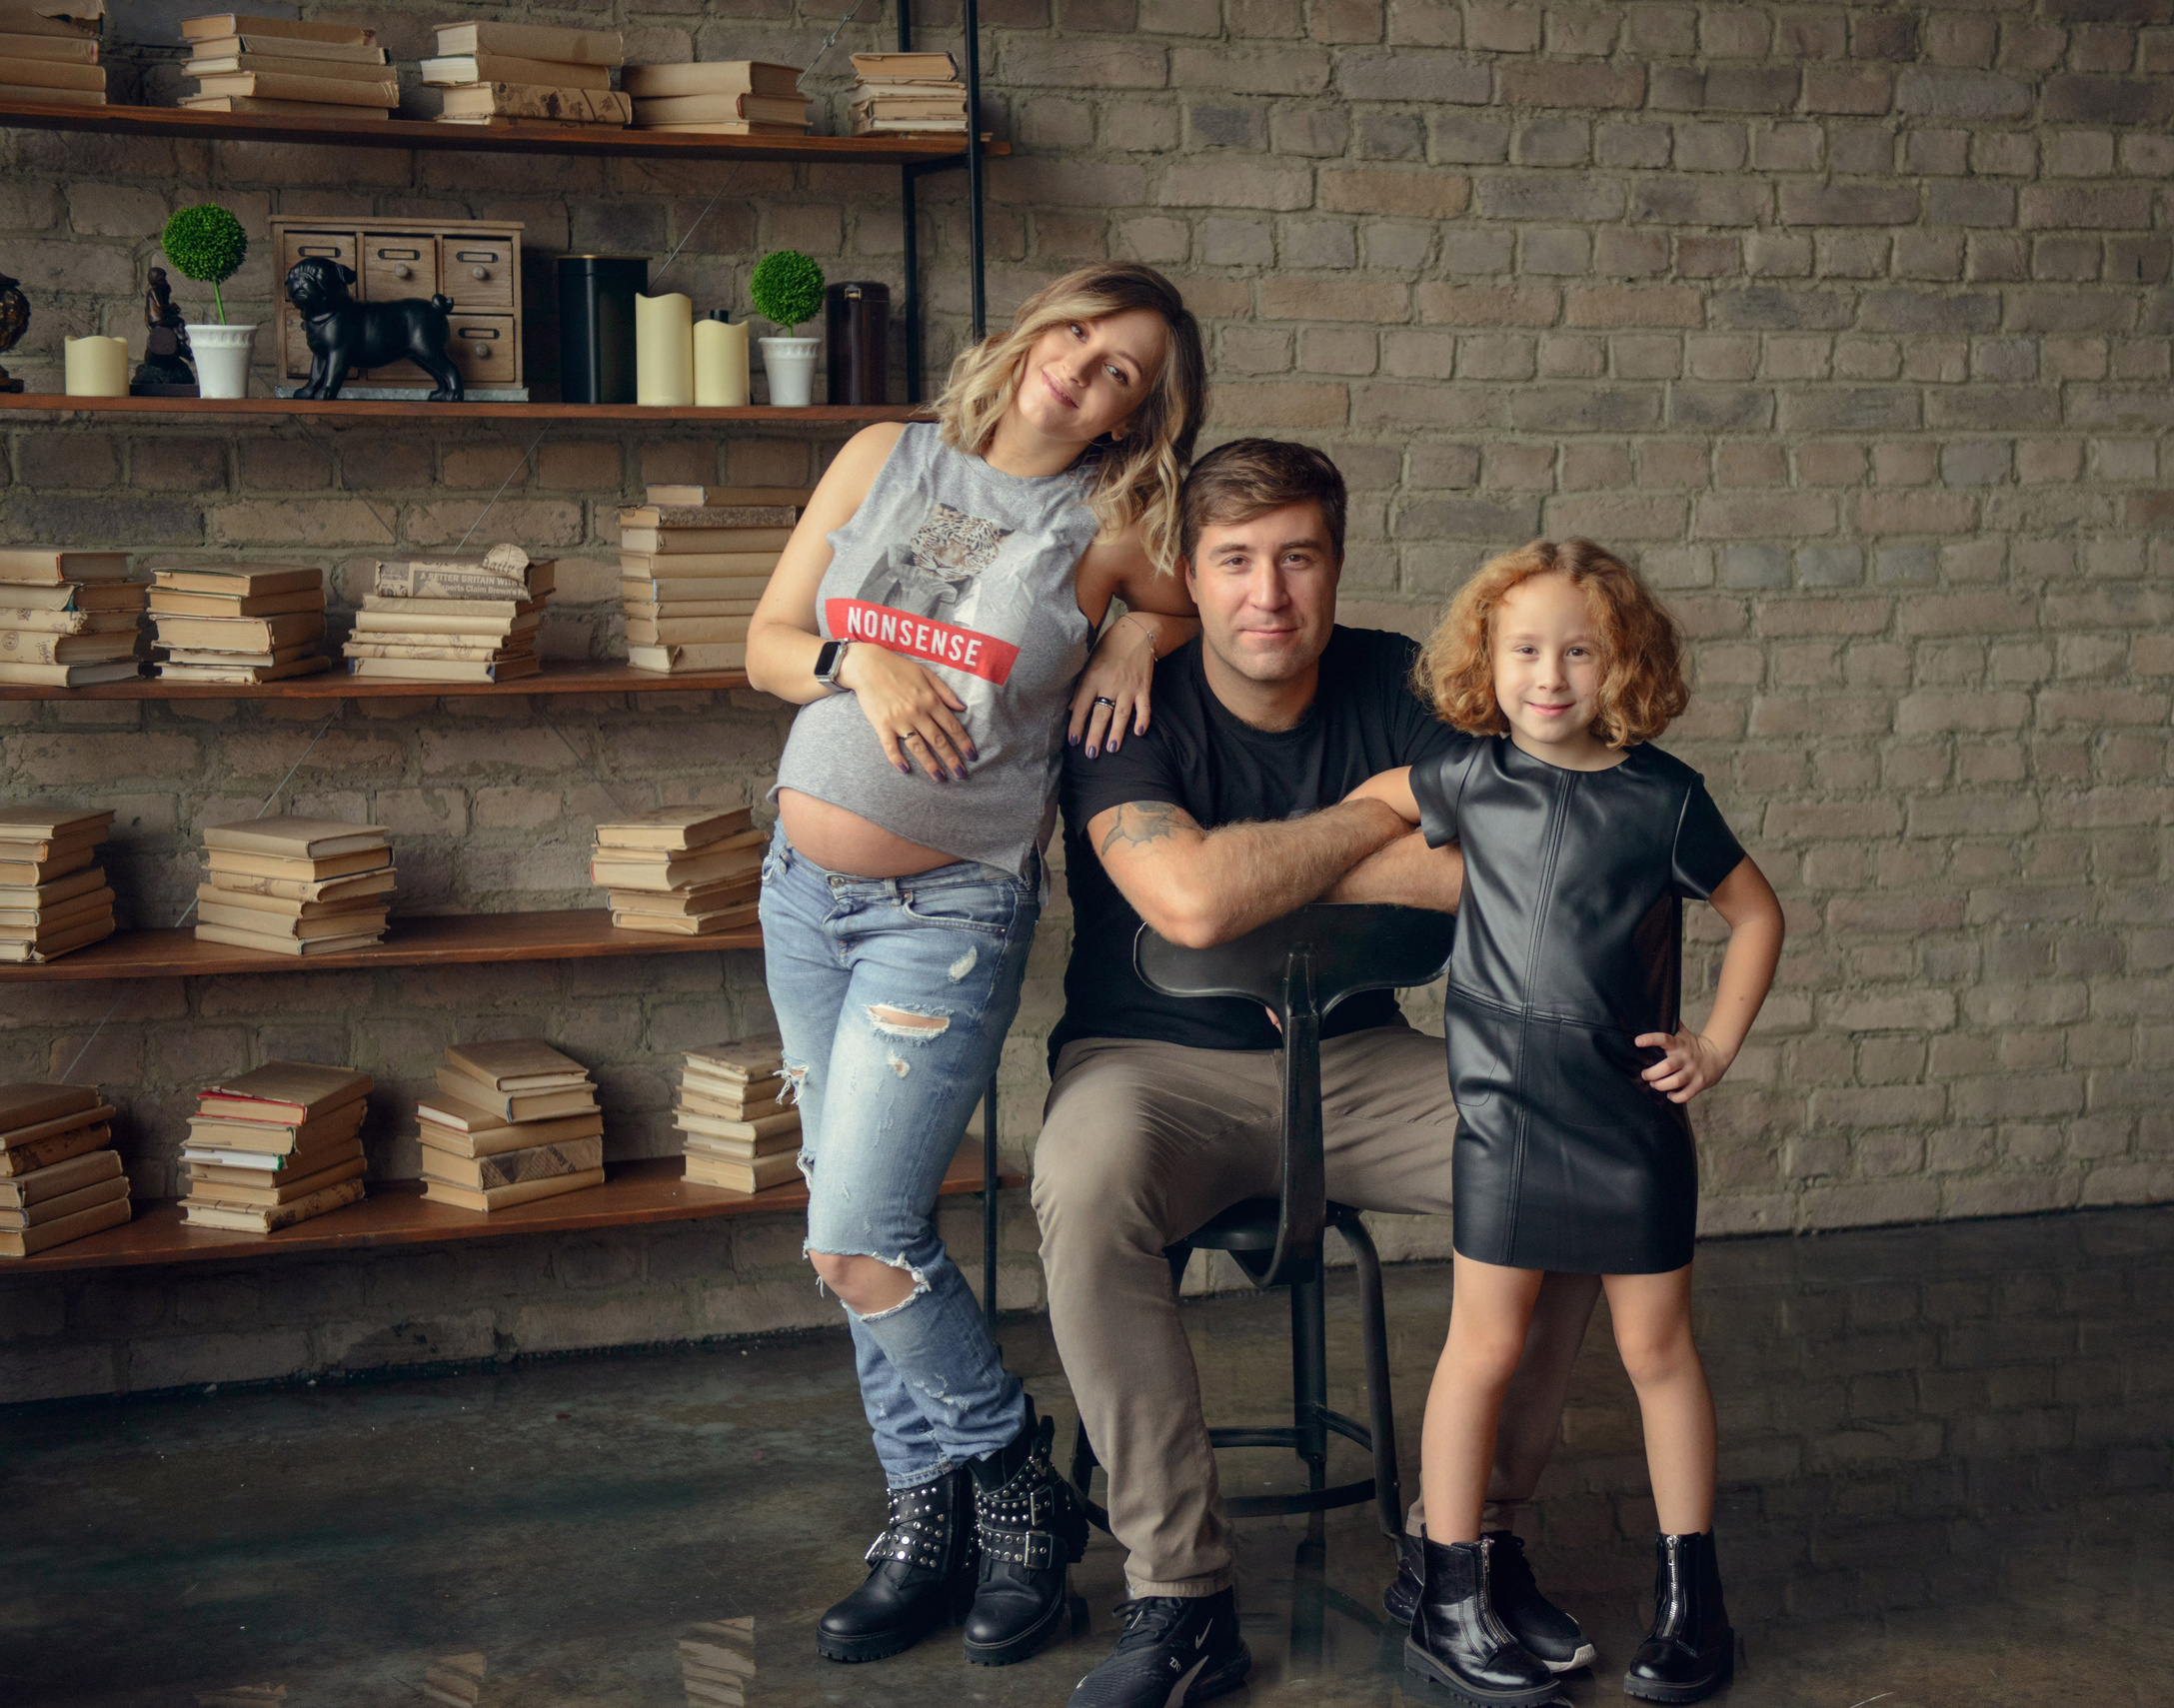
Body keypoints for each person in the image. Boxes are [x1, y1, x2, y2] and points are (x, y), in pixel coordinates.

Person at [1032, 440, 1609, 1708]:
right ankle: (1180, 1598)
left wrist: (1254, 868)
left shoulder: (1407, 684)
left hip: (1355, 1054)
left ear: (1335, 564)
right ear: (1188, 568)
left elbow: (1522, 876)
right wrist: (1376, 814)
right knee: (1081, 1176)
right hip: (1151, 1069)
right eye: (1234, 561)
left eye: (1297, 557)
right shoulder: (1124, 699)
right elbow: (1183, 901)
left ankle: (1467, 1547)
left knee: (1576, 1154)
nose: (1268, 594)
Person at [744, 263, 1207, 1673]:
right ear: (1033, 333)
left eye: (1126, 369)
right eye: (1082, 333)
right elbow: (764, 642)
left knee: (858, 1234)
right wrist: (860, 665)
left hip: (943, 913)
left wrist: (1138, 623)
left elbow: (1204, 604)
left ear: (1136, 417)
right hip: (799, 900)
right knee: (855, 1230)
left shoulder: (1115, 521)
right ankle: (926, 1518)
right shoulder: (883, 454)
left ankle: (1015, 1481)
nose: (1088, 367)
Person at [1351, 539, 1785, 1707]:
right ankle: (1449, 1590)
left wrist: (1716, 1044)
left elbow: (1756, 915)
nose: (1549, 676)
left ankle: (1694, 1604)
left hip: (1629, 1121)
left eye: (1578, 650)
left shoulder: (1665, 796)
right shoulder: (1465, 777)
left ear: (1621, 660)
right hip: (1502, 1114)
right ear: (1484, 659)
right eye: (1524, 649)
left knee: (1656, 1352)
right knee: (1481, 1347)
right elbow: (1364, 814)